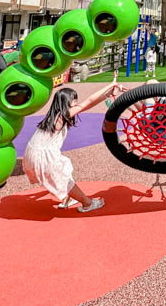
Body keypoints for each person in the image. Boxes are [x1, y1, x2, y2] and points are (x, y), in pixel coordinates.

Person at [23, 78, 119, 212]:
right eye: (74, 101)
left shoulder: (53, 116)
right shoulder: (62, 115)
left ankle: (67, 198)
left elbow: (88, 105)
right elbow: (89, 102)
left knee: (63, 173)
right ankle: (87, 203)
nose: (76, 103)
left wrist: (107, 94)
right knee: (63, 177)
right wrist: (110, 85)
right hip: (44, 156)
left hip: (31, 154)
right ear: (66, 102)